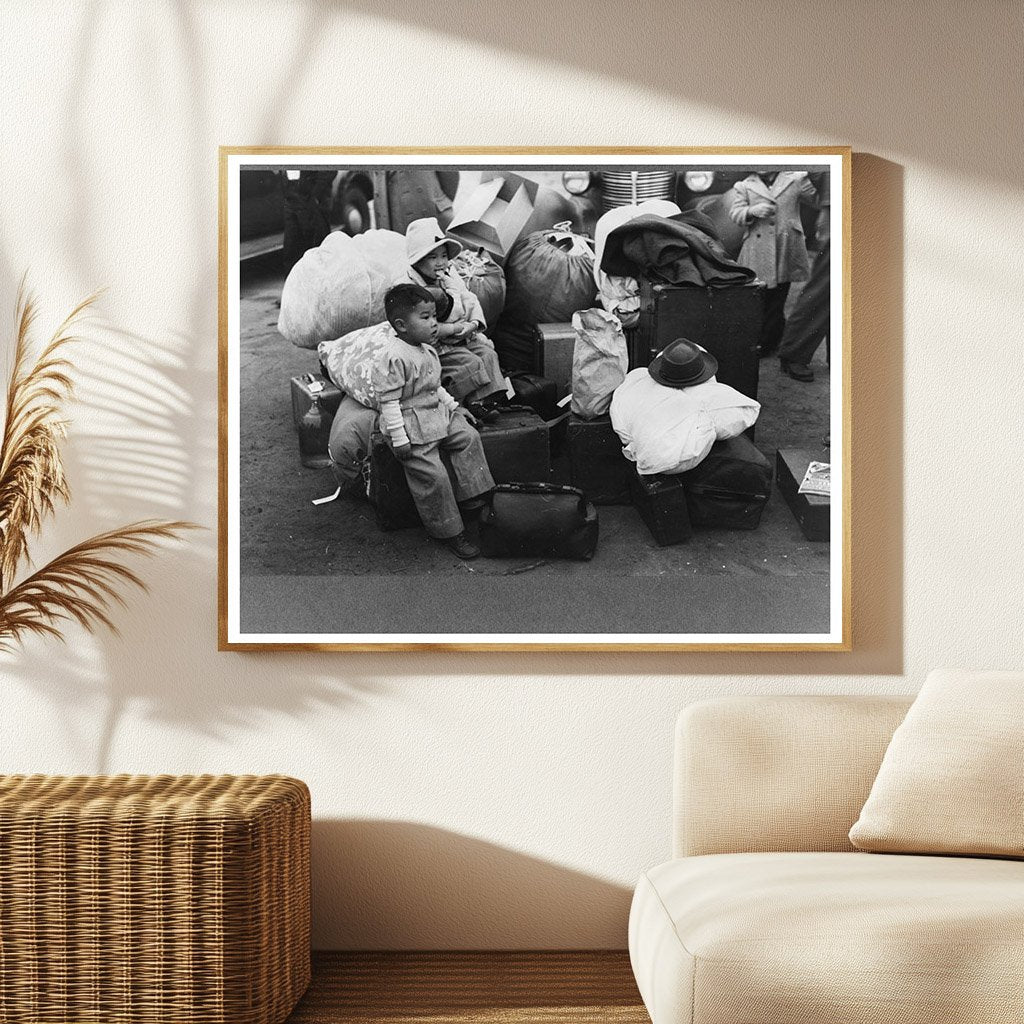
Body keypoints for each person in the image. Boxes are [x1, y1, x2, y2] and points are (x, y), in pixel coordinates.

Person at [372, 283, 495, 559]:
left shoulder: (426, 348)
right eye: (425, 318)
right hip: (408, 423)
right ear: (402, 325)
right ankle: (450, 529)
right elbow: (389, 402)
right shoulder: (393, 357)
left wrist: (454, 407)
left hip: (435, 411)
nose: (433, 324)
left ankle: (473, 497)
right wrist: (400, 438)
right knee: (433, 475)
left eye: (434, 317)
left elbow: (434, 386)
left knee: (468, 437)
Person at [402, 217, 506, 421]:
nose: (440, 262)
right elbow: (423, 329)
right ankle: (461, 403)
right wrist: (455, 328)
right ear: (418, 260)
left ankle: (484, 401)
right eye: (433, 257)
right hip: (431, 348)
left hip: (458, 336)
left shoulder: (448, 275)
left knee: (486, 353)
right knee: (469, 362)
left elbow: (469, 298)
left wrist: (473, 325)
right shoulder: (410, 287)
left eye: (443, 255)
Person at [728, 169, 817, 357]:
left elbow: (817, 200)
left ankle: (771, 342)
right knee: (759, 297)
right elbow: (734, 214)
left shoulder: (796, 179)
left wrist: (813, 175)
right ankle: (763, 340)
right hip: (757, 250)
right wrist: (751, 210)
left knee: (778, 298)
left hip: (785, 247)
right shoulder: (744, 184)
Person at [777, 172, 831, 381]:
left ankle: (841, 355)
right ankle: (793, 353)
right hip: (844, 208)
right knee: (826, 286)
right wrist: (828, 211)